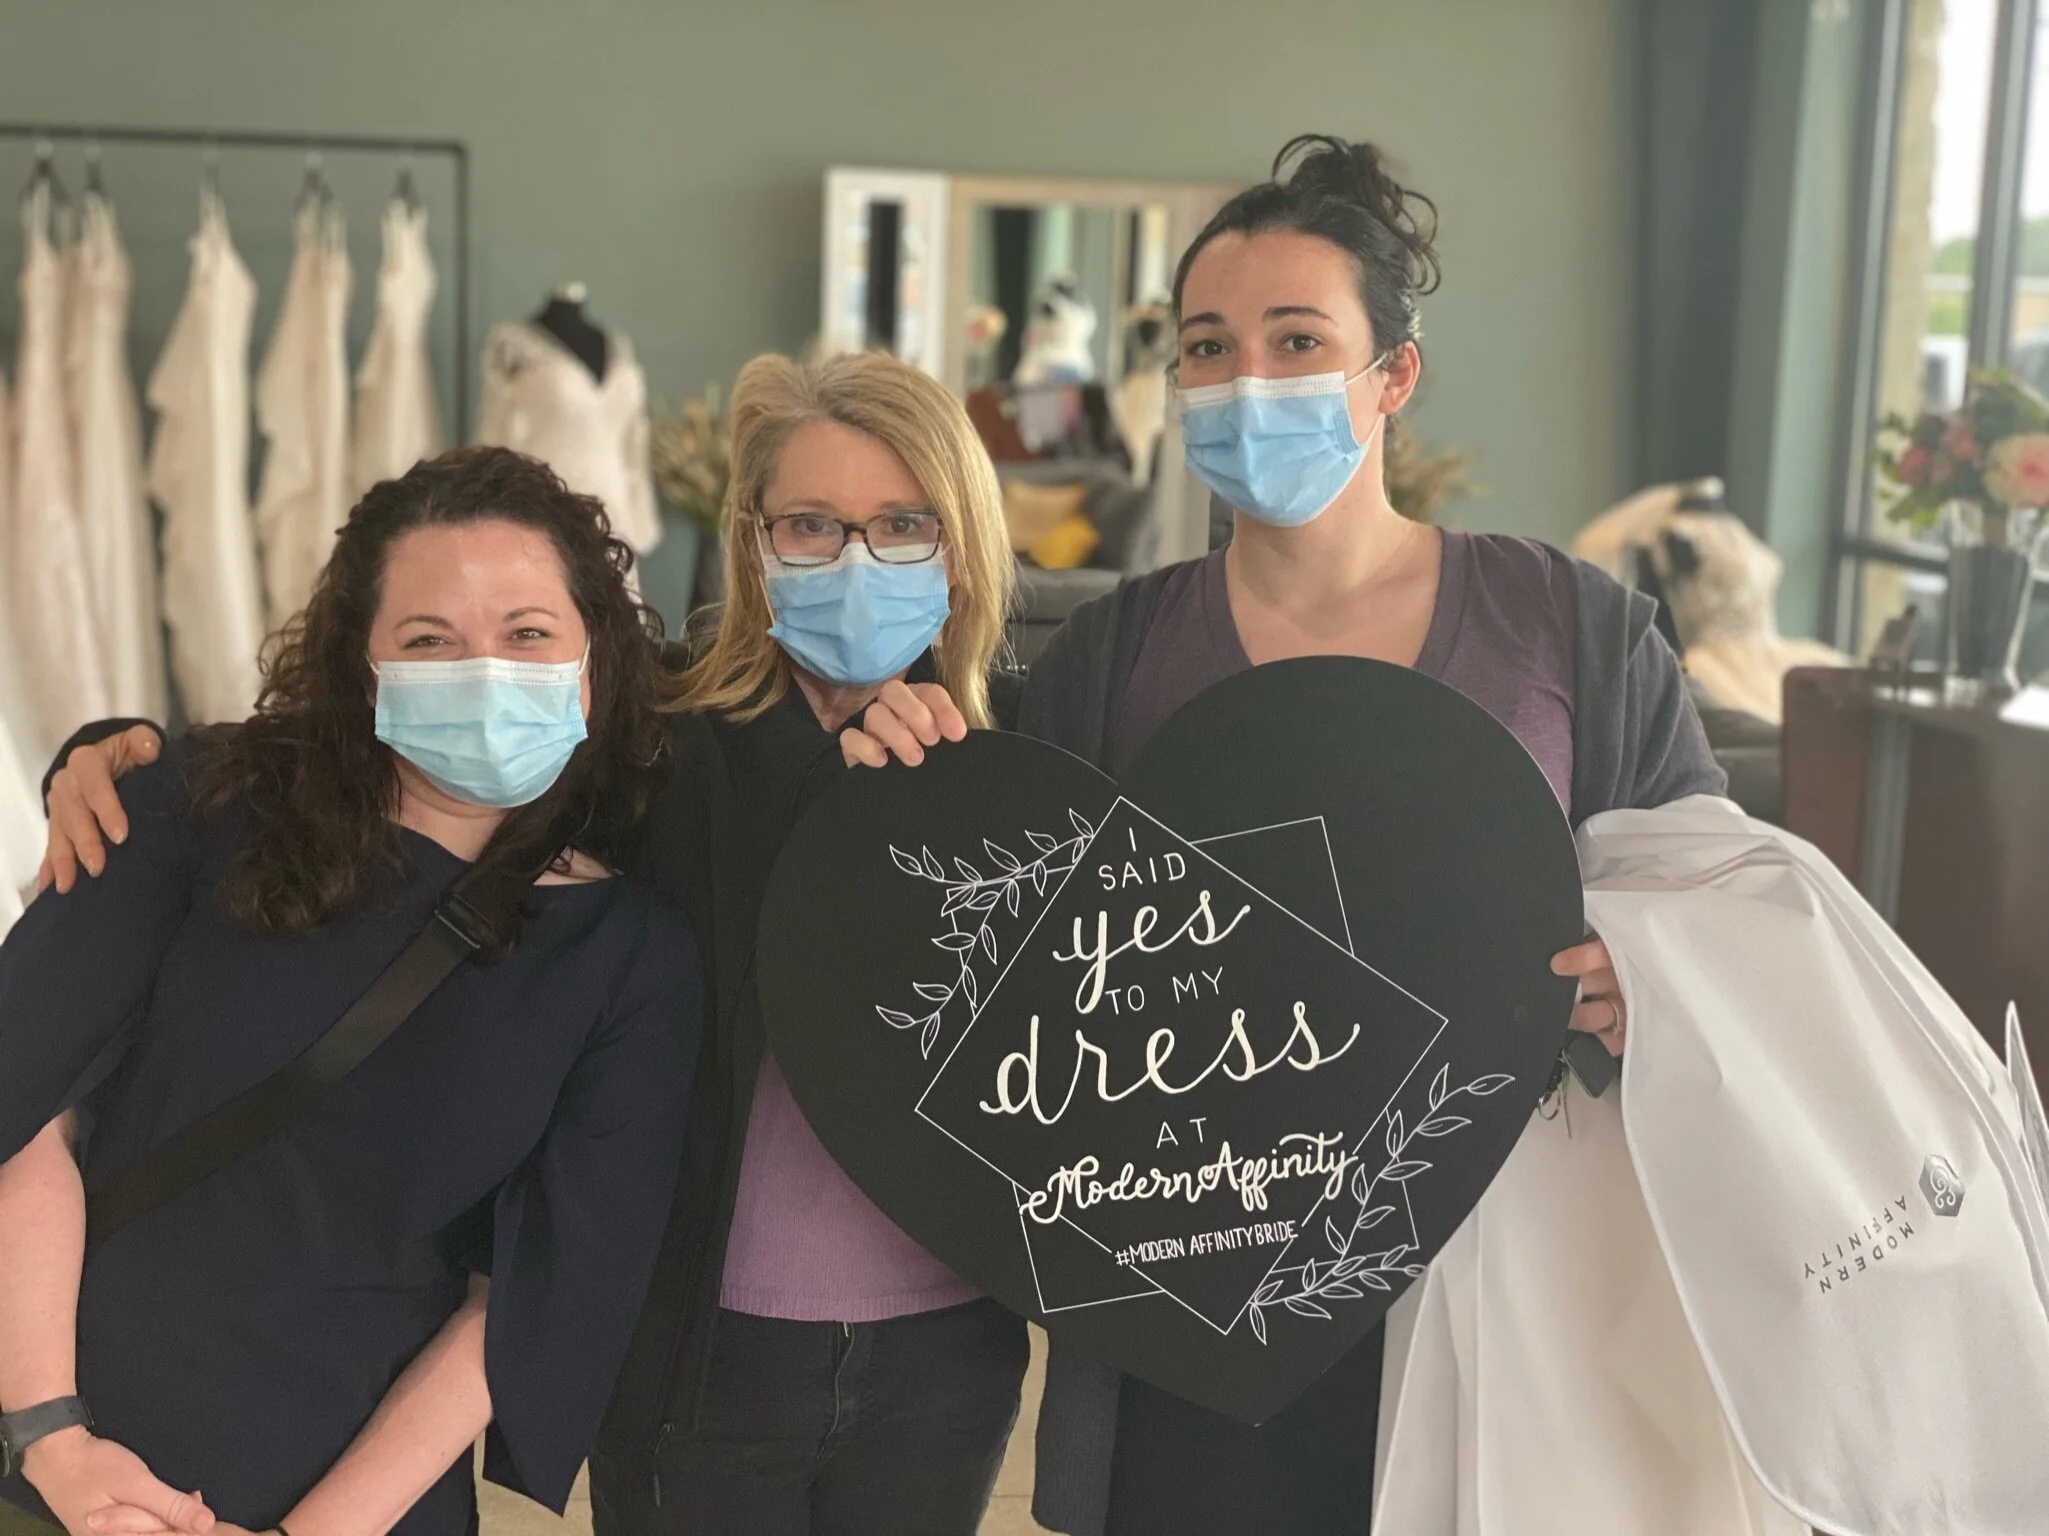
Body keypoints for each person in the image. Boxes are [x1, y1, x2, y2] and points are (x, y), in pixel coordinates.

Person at [841, 134, 1726, 1536]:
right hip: (1194, 1300)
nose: (1246, 379)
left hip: (1506, 1279)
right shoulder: (1111, 656)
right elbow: (1012, 952)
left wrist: (1651, 972)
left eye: (1297, 340)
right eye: (1207, 346)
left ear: (1394, 375)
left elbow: (1714, 890)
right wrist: (908, 755)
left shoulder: (1569, 630)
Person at [36, 352, 1030, 1536]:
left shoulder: (1026, 762)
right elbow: (422, 755)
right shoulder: (661, 751)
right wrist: (113, 756)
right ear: (753, 544)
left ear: (962, 540)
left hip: (944, 1350)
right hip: (700, 1351)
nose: (854, 561)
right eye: (811, 524)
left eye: (902, 524)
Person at [0, 447, 700, 1536]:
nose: (484, 671)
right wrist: (54, 1442)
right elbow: (24, 1105)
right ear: (365, 667)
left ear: (594, 657)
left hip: (364, 1496)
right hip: (72, 1462)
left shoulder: (629, 956)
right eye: (429, 640)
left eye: (527, 633)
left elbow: (519, 1296)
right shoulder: (194, 805)